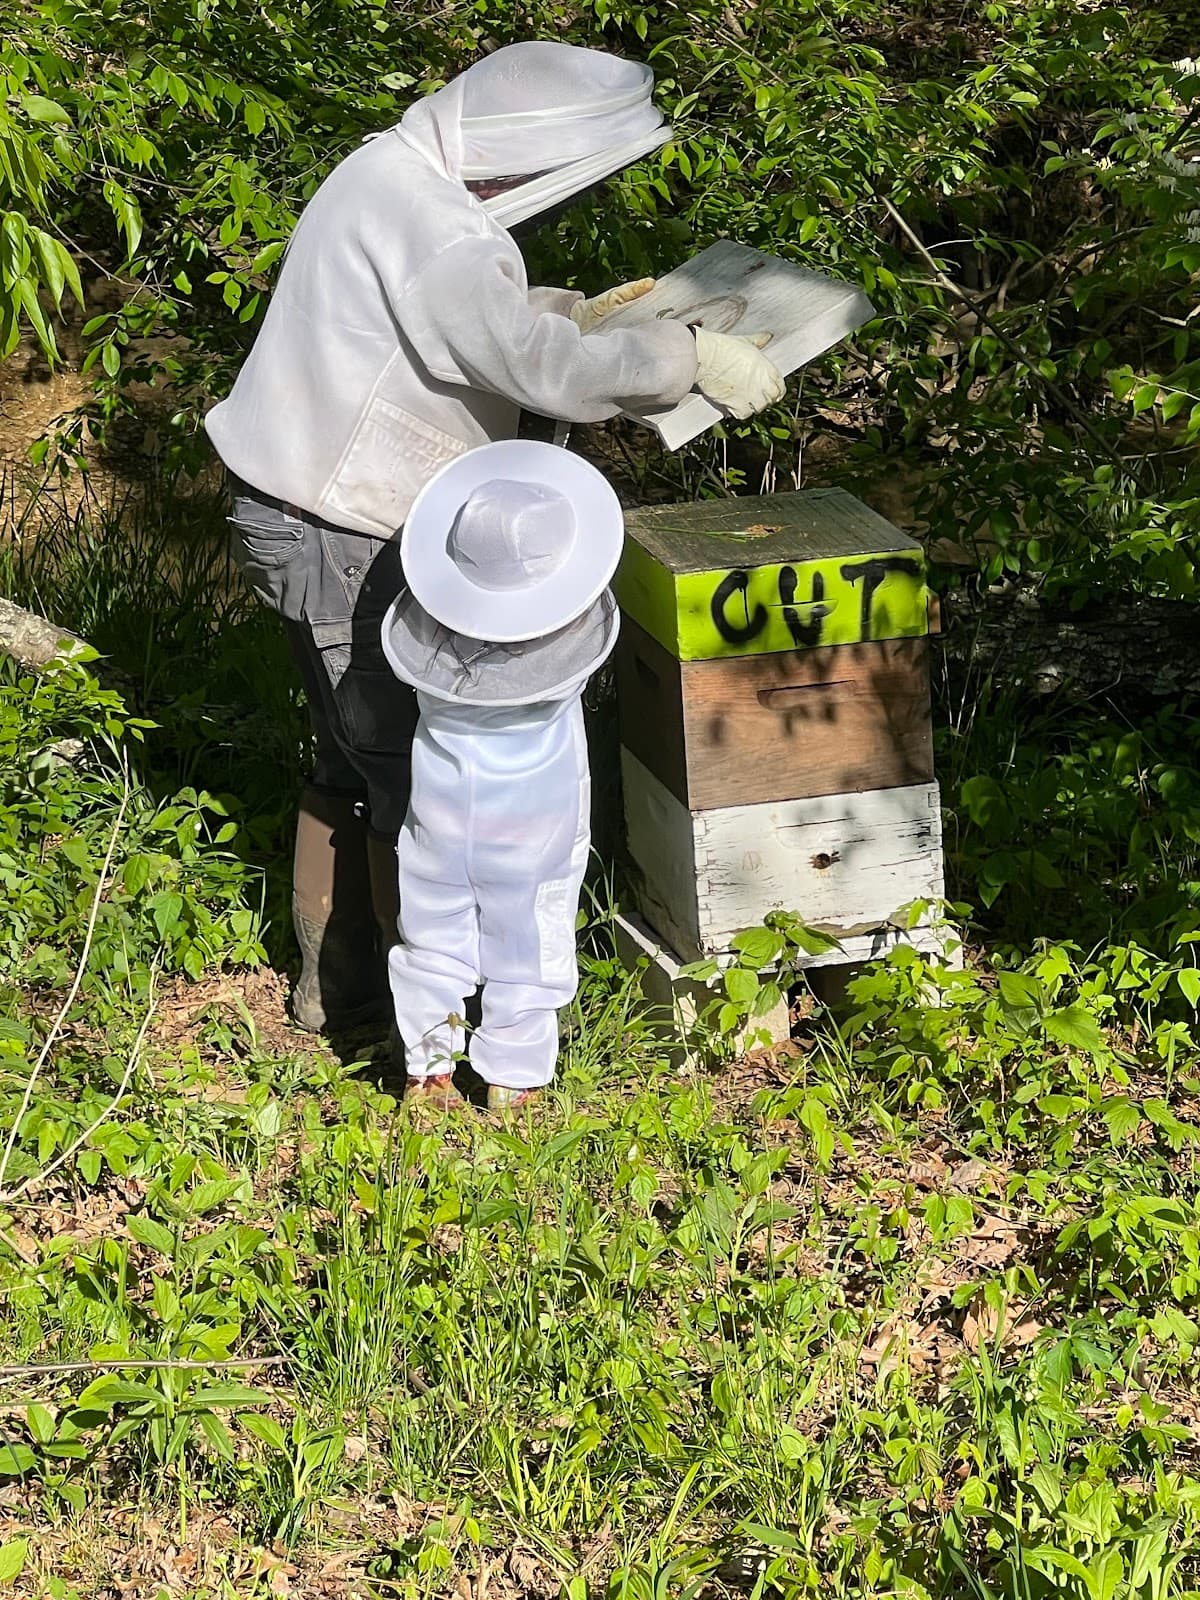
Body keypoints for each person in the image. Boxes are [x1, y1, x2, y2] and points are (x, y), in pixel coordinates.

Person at [204, 40, 786, 1036]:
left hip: (310, 504)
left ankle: (336, 998)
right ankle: (410, 1035)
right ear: (515, 146)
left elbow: (467, 320)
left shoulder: (395, 173)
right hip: (334, 518)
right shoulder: (429, 217)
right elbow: (530, 363)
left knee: (354, 753)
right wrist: (682, 353)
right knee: (404, 766)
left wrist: (585, 311)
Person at [379, 438, 623, 1111]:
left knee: (431, 931)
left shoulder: (433, 633)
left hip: (440, 804)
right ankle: (513, 1083)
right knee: (532, 937)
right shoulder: (566, 643)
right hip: (539, 817)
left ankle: (426, 1073)